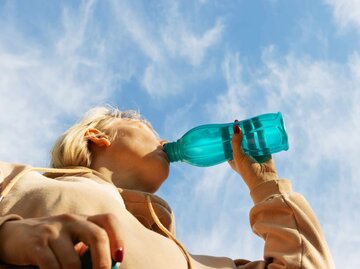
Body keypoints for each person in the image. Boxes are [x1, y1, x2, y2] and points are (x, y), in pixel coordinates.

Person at [0, 106, 335, 269]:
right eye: (140, 121)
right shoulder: (22, 180)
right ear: (98, 136)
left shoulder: (200, 263)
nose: (161, 137)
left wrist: (265, 185)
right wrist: (8, 237)